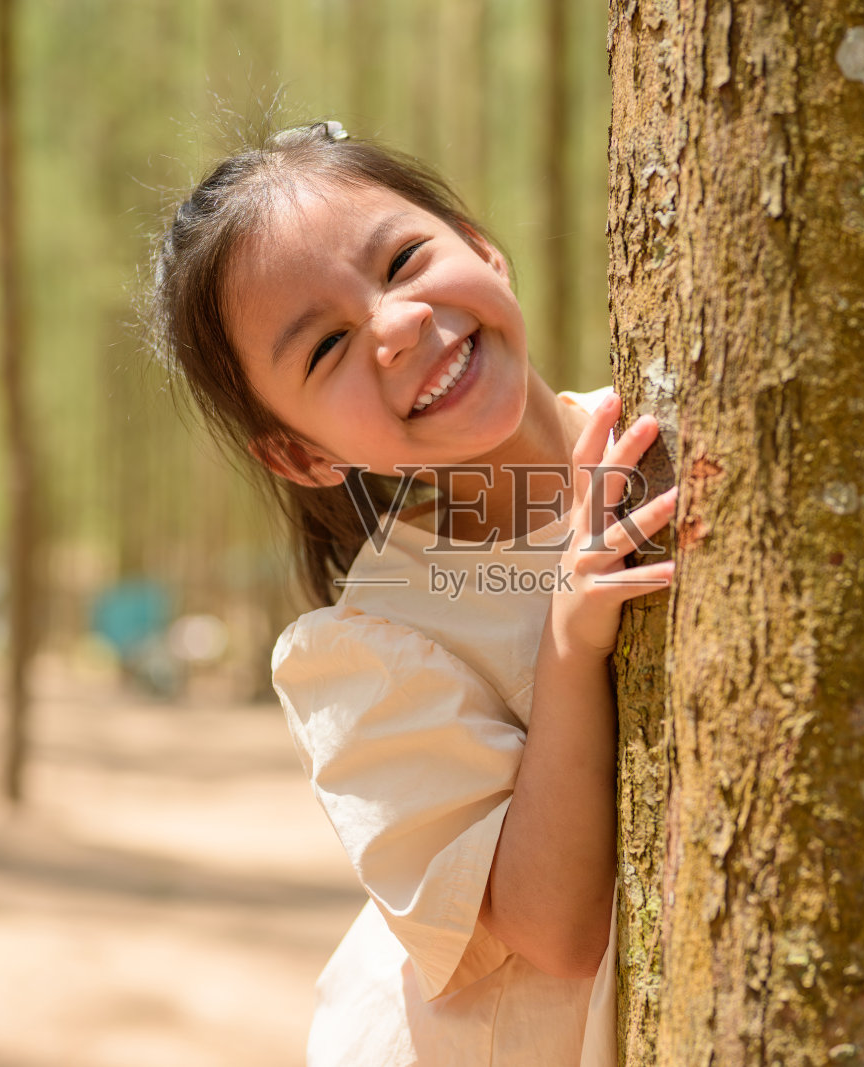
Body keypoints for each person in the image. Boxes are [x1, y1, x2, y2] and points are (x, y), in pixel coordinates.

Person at [148, 120, 676, 1066]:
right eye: (325, 349)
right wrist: (568, 636)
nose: (397, 327)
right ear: (305, 455)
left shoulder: (665, 426)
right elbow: (553, 930)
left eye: (402, 260)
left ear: (484, 248)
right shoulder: (367, 652)